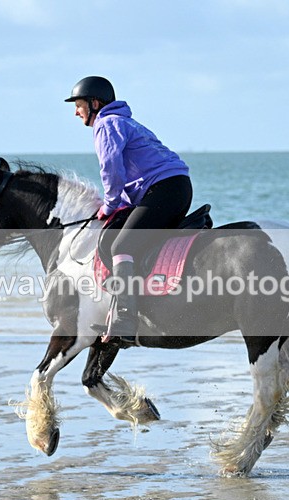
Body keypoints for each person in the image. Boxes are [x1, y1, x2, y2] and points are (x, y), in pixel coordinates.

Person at [65, 76, 193, 345]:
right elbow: (133, 178)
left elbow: (111, 170)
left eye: (79, 105)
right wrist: (120, 205)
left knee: (121, 245)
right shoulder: (124, 121)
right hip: (175, 187)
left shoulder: (106, 124)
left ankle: (125, 319)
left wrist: (110, 205)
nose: (76, 112)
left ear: (94, 103)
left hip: (164, 190)